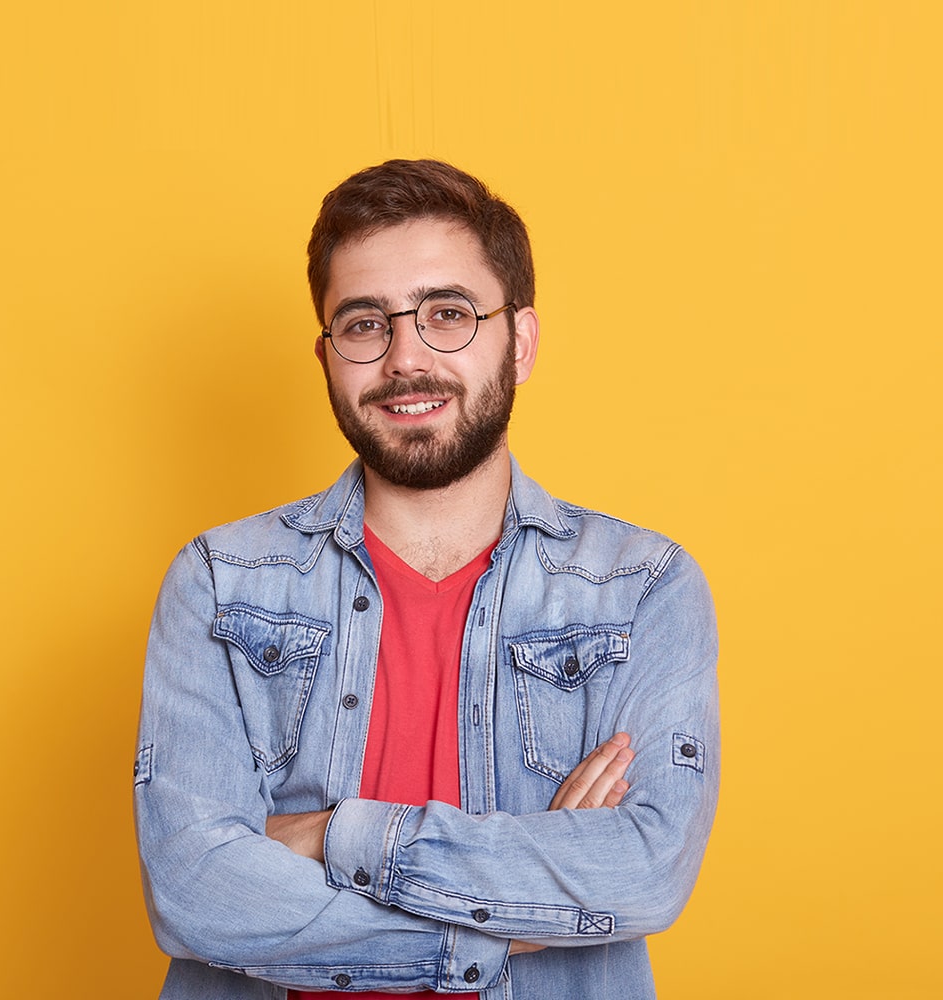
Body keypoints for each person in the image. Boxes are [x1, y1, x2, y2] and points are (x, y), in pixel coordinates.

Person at [134, 159, 719, 1000]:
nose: (406, 358)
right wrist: (508, 921)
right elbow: (195, 893)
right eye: (365, 323)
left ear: (520, 342)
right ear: (327, 356)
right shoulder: (221, 585)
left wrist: (335, 836)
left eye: (449, 313)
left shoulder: (641, 589)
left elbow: (643, 873)